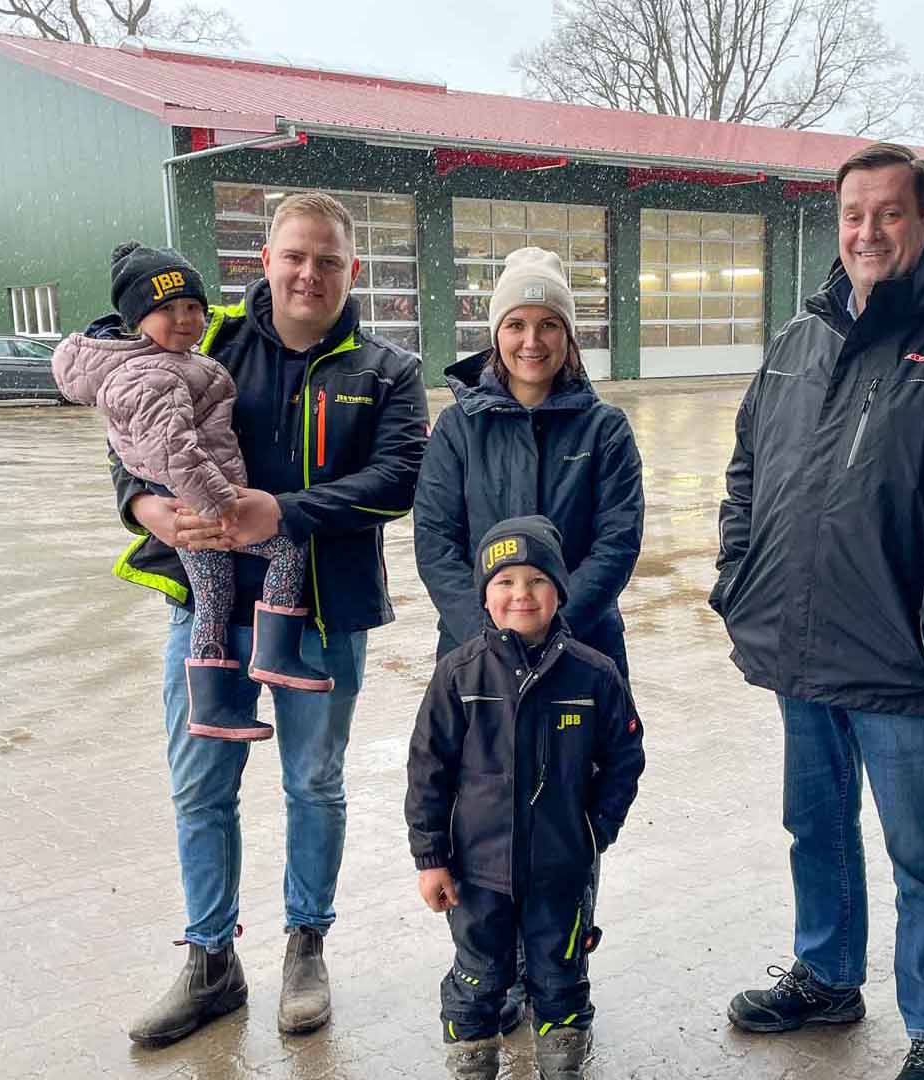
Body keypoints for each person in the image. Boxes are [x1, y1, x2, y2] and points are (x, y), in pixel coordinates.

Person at [712, 143, 924, 1080]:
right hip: (801, 647)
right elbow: (747, 471)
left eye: (889, 214)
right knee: (814, 828)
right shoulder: (798, 338)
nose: (867, 232)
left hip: (907, 664)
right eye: (853, 215)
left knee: (920, 851)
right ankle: (827, 976)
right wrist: (737, 578)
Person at [109, 193, 429, 1045]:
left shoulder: (386, 370)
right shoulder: (201, 339)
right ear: (266, 260)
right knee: (201, 789)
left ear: (351, 271)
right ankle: (211, 962)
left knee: (313, 785)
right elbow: (127, 427)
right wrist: (145, 508)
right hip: (206, 609)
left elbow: (402, 477)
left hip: (323, 613)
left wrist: (284, 511)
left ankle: (305, 949)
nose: (309, 274)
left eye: (328, 260)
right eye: (295, 255)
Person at [55, 242, 331, 744]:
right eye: (167, 310)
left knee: (213, 597)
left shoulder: (172, 360)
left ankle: (214, 701)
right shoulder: (155, 372)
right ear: (138, 319)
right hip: (200, 508)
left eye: (193, 307)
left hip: (195, 504)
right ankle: (267, 660)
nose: (186, 319)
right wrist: (208, 506)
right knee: (276, 558)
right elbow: (168, 450)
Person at [405, 516, 646, 1080]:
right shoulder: (458, 675)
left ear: (559, 590)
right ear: (484, 595)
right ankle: (471, 1057)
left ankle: (562, 1057)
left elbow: (625, 758)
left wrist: (595, 829)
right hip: (476, 874)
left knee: (561, 976)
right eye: (504, 582)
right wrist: (430, 858)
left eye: (536, 580)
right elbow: (427, 771)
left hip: (561, 872)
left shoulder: (594, 674)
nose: (521, 595)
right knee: (477, 976)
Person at [413, 245, 644, 681]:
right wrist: (489, 636)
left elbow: (617, 543)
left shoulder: (606, 430)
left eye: (549, 325)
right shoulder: (457, 429)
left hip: (583, 645)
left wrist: (553, 630)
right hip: (476, 651)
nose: (532, 341)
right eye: (516, 324)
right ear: (497, 333)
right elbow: (436, 541)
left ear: (569, 335)